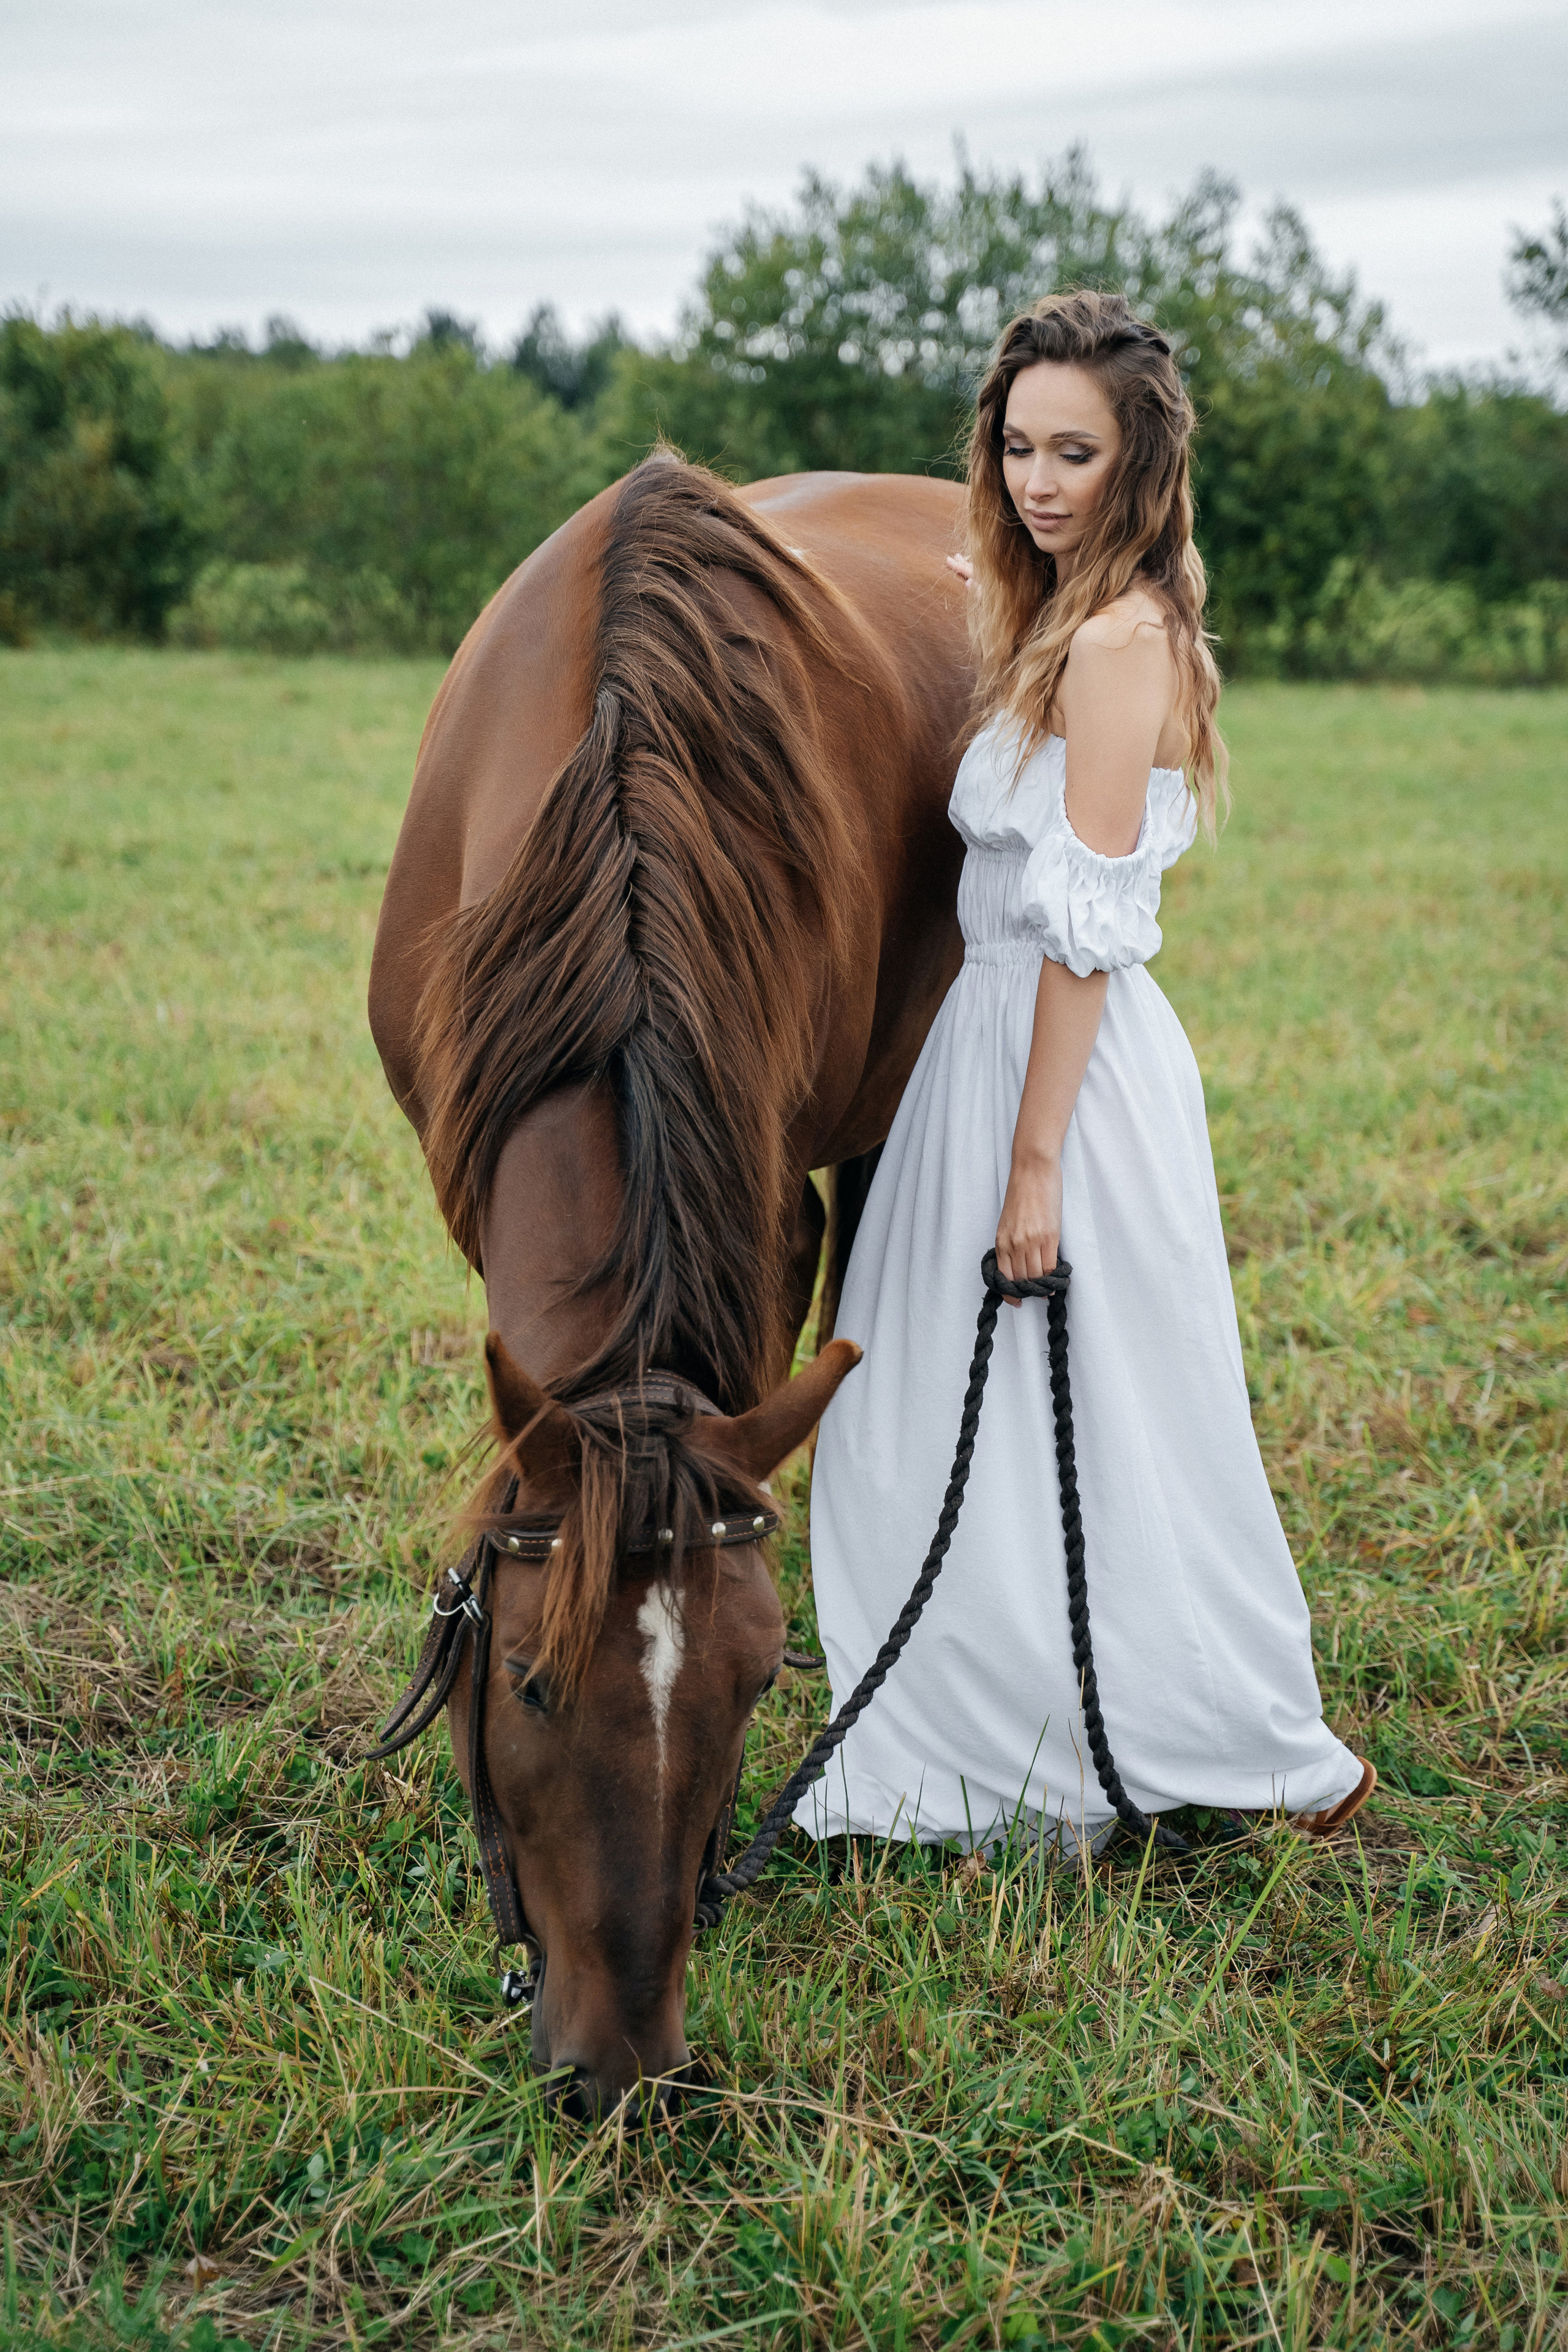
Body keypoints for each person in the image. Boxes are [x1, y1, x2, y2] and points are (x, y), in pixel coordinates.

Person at [795, 290, 1374, 1857]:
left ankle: (1155, 1733)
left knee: (1079, 1402)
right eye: (1016, 444)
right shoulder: (1048, 613)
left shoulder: (1120, 644)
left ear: (1139, 466)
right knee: (908, 1404)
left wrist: (1033, 1160)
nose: (1039, 479)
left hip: (1055, 1063)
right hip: (974, 1053)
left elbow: (1085, 928)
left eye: (1075, 453)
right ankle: (962, 1723)